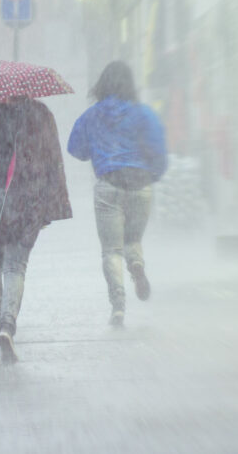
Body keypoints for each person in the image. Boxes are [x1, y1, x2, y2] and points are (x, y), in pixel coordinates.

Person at [0, 95, 71, 363]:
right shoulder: (41, 116)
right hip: (26, 201)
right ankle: (7, 326)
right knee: (15, 267)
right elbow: (53, 161)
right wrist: (51, 205)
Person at [67, 61, 167, 327]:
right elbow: (158, 149)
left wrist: (96, 150)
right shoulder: (143, 114)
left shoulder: (92, 115)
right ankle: (136, 264)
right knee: (133, 238)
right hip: (140, 184)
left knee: (111, 250)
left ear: (102, 85)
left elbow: (75, 148)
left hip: (108, 184)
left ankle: (118, 305)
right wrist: (152, 175)